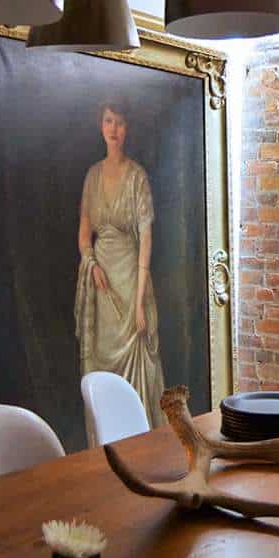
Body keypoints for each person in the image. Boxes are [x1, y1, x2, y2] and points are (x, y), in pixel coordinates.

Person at [74, 100, 166, 433]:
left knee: (137, 355)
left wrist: (140, 302)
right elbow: (85, 234)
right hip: (101, 285)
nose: (114, 130)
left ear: (127, 129)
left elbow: (145, 242)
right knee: (101, 362)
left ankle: (140, 442)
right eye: (108, 121)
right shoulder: (92, 176)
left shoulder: (137, 176)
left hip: (130, 281)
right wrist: (91, 262)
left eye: (120, 123)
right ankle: (106, 443)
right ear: (101, 125)